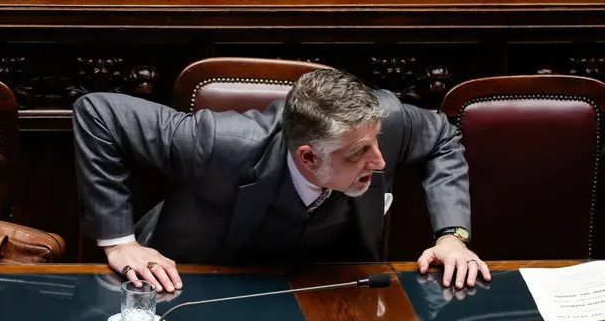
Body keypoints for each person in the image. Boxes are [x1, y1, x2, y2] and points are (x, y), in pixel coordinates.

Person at [72, 68, 492, 295]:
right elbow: (97, 113)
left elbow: (442, 138)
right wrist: (119, 242)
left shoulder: (387, 121)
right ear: (308, 157)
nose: (379, 161)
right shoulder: (217, 143)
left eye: (376, 143)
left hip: (324, 284)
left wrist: (452, 236)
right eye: (358, 154)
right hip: (198, 279)